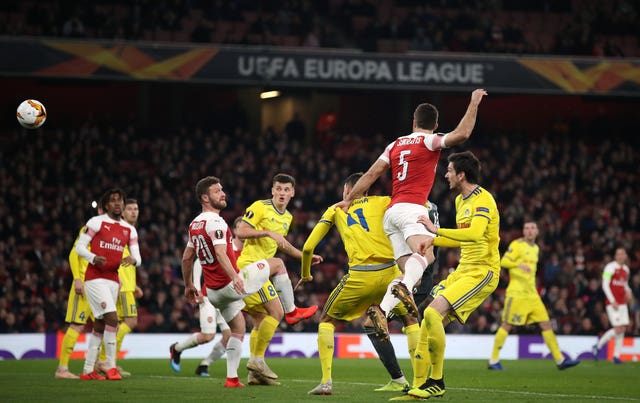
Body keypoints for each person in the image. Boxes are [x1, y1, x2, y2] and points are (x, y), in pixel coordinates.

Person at [337, 89, 488, 330]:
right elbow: (463, 134)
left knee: (410, 270)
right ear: (435, 124)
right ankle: (403, 289)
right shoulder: (430, 141)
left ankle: (382, 311)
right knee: (426, 256)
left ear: (413, 122)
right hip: (412, 210)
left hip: (392, 214)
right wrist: (474, 103)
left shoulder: (394, 145)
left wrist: (349, 200)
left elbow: (372, 174)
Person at [301, 173, 436, 395]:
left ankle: (326, 382)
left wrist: (306, 274)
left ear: (347, 190)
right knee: (410, 320)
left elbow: (308, 248)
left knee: (327, 320)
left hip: (361, 275)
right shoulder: (385, 201)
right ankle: (419, 383)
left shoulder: (336, 209)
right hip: (392, 274)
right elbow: (418, 205)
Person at [179, 176, 293, 388]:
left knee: (238, 329)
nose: (223, 194)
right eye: (216, 191)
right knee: (277, 264)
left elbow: (187, 257)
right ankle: (293, 310)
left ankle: (232, 378)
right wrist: (234, 277)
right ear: (205, 197)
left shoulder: (194, 224)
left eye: (222, 189)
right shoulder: (217, 222)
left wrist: (188, 285)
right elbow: (222, 254)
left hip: (213, 292)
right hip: (229, 285)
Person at [404, 151, 500, 399]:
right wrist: (432, 239)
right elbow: (461, 240)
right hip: (463, 270)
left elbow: (475, 234)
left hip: (483, 271)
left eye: (449, 170)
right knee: (428, 322)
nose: (445, 175)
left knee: (432, 312)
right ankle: (420, 384)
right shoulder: (460, 201)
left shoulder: (483, 200)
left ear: (461, 174)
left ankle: (437, 381)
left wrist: (436, 230)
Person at [235, 173, 322, 383]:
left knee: (263, 319)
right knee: (277, 310)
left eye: (286, 190)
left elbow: (282, 245)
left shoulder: (288, 217)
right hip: (250, 267)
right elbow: (241, 231)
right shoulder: (260, 206)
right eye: (278, 189)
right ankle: (290, 313)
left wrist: (305, 257)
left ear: (292, 193)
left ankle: (255, 373)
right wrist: (266, 232)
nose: (282, 193)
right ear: (272, 190)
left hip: (263, 270)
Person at [488, 221, 580, 370]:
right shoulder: (517, 245)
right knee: (507, 325)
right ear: (523, 232)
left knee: (546, 324)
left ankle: (560, 360)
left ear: (537, 232)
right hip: (517, 293)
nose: (529, 231)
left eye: (532, 228)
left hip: (532, 295)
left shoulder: (536, 248)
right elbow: (503, 261)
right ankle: (493, 361)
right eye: (526, 228)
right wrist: (518, 265)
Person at [75, 188, 142, 381]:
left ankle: (88, 370)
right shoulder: (96, 222)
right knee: (113, 319)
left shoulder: (129, 229)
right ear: (105, 205)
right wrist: (93, 257)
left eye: (120, 200)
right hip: (95, 278)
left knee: (100, 324)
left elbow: (138, 257)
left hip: (114, 279)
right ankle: (110, 365)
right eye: (113, 200)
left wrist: (133, 260)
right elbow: (80, 247)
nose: (118, 203)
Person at [54, 203, 102, 379]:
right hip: (85, 285)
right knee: (77, 325)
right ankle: (62, 369)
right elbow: (74, 254)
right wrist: (77, 279)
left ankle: (94, 366)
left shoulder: (107, 234)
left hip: (99, 286)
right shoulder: (89, 229)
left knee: (104, 325)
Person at [96, 198, 144, 377]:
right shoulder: (120, 230)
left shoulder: (129, 231)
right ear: (122, 212)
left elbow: (126, 260)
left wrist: (135, 284)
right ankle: (106, 361)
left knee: (113, 324)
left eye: (136, 208)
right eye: (130, 209)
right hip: (120, 285)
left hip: (125, 285)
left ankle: (107, 361)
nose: (134, 212)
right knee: (129, 322)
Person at [592, 247, 633, 363]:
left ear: (625, 256)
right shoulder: (610, 267)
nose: (620, 256)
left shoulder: (626, 270)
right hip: (612, 303)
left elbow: (624, 284)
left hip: (623, 303)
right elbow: (605, 285)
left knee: (623, 328)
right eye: (618, 254)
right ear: (615, 256)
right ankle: (597, 346)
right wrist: (612, 300)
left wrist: (629, 291)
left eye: (622, 254)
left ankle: (616, 356)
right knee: (618, 328)